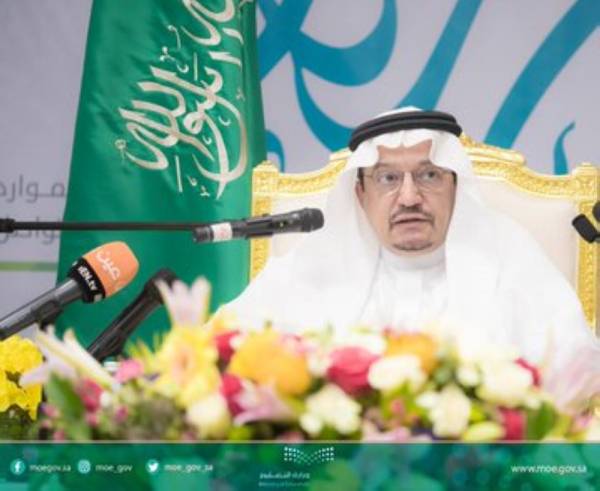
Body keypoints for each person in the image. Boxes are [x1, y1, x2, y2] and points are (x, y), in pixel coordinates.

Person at [224, 107, 600, 406]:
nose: (409, 198)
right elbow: (223, 352)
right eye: (387, 178)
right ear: (360, 193)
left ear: (455, 186)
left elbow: (579, 371)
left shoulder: (510, 252)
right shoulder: (312, 263)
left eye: (429, 176)